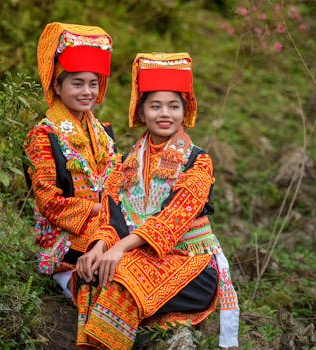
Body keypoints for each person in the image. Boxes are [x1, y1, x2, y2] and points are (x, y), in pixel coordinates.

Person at [74, 52, 239, 349]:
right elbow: (111, 217)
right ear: (142, 112)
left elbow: (171, 222)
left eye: (174, 106)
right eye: (156, 106)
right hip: (142, 257)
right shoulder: (126, 163)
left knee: (121, 276)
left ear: (184, 110)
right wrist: (98, 248)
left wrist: (120, 249)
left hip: (191, 265)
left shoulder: (197, 161)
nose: (165, 114)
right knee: (89, 272)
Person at [23, 22, 118, 297]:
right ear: (57, 84)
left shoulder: (103, 133)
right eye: (77, 84)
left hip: (107, 224)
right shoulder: (42, 136)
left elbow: (118, 183)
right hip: (66, 237)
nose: (86, 92)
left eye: (92, 84)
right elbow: (49, 203)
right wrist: (104, 212)